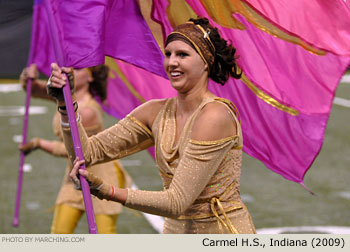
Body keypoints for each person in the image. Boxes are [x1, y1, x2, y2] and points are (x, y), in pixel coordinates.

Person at [48, 17, 256, 234]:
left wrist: (105, 190)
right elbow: (87, 153)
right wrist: (65, 105)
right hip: (175, 232)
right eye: (168, 54)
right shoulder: (154, 111)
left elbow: (176, 202)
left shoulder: (215, 115)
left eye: (182, 54)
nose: (172, 62)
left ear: (206, 61)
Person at [19, 64, 131, 234]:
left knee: (104, 239)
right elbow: (33, 90)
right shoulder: (65, 97)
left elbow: (76, 151)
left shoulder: (87, 112)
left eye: (78, 69)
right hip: (74, 176)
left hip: (101, 177)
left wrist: (38, 143)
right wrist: (27, 76)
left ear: (90, 77)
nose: (70, 72)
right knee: (59, 234)